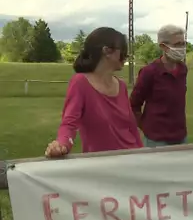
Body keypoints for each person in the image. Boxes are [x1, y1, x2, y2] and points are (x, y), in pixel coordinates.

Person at [45, 27, 143, 157]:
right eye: (123, 51)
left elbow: (131, 127)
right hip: (100, 167)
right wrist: (62, 144)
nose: (127, 56)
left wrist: (142, 154)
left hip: (131, 160)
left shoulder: (122, 86)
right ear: (107, 51)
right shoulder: (80, 83)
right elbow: (69, 123)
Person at [130, 24, 188, 147]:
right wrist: (145, 127)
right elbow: (133, 104)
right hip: (156, 140)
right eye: (177, 44)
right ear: (163, 46)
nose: (182, 48)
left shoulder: (183, 69)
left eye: (183, 43)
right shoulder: (149, 72)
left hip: (181, 136)